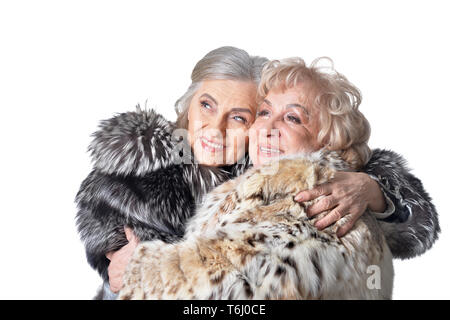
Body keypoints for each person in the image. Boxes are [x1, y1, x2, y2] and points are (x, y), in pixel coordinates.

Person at [75, 47, 439, 299]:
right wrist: (117, 287)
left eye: (239, 117)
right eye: (206, 105)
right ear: (185, 108)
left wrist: (373, 189)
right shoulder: (126, 184)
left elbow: (413, 222)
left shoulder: (280, 171)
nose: (215, 129)